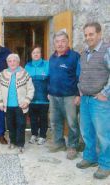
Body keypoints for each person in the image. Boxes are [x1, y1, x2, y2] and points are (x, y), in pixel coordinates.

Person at [76, 22, 110, 179]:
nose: (88, 37)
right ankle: (90, 158)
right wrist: (80, 88)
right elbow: (81, 74)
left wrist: (105, 93)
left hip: (100, 101)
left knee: (103, 134)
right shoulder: (84, 53)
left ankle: (105, 164)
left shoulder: (106, 51)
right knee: (87, 132)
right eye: (86, 35)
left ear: (99, 34)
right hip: (86, 100)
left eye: (91, 34)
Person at [48, 31, 80, 160]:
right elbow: (51, 76)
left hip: (70, 96)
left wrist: (78, 94)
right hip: (54, 96)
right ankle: (59, 143)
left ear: (68, 42)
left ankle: (73, 146)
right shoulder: (52, 57)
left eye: (63, 41)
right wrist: (49, 92)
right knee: (55, 121)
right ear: (54, 43)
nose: (60, 44)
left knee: (72, 123)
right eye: (57, 41)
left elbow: (79, 76)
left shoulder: (75, 56)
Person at [0, 53, 34, 153]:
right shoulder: (2, 74)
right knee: (10, 125)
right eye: (10, 61)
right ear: (7, 63)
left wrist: (27, 101)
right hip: (7, 106)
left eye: (14, 61)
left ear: (18, 62)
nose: (12, 63)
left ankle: (20, 144)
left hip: (20, 106)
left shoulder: (25, 73)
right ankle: (12, 142)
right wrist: (0, 102)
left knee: (21, 125)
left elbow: (31, 89)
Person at [25, 45, 49, 145]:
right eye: (34, 52)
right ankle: (34, 134)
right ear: (31, 54)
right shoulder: (27, 66)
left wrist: (50, 92)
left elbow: (51, 80)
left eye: (38, 52)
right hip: (32, 98)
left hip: (44, 97)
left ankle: (43, 135)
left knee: (43, 117)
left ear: (41, 53)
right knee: (33, 117)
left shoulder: (47, 64)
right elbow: (25, 82)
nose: (36, 54)